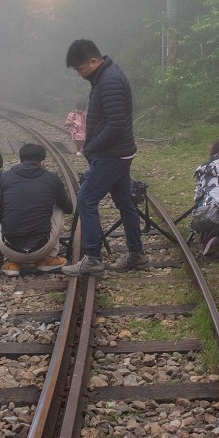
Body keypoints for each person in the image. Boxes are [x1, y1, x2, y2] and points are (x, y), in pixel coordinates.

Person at [60, 39, 147, 277]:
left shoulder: (108, 81)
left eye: (80, 69)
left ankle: (93, 259)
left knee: (86, 199)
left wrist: (90, 147)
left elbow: (116, 125)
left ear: (93, 61)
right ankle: (136, 254)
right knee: (125, 202)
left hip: (112, 154)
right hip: (118, 152)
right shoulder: (104, 77)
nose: (79, 74)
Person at [0, 143, 74, 276]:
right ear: (42, 161)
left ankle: (11, 263)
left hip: (9, 248)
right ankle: (48, 259)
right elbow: (68, 208)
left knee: (5, 207)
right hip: (42, 247)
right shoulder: (51, 178)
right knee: (58, 207)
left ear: (20, 160)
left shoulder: (5, 177)